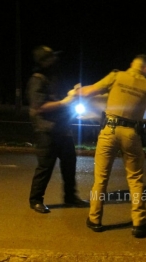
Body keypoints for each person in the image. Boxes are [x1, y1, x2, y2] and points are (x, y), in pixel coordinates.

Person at [74, 54, 146, 237]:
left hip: (108, 131)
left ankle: (95, 220)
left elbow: (89, 92)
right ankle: (139, 224)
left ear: (132, 64)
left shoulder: (116, 76)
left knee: (101, 179)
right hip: (131, 134)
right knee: (135, 180)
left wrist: (77, 91)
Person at [27, 45, 88, 214]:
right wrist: (63, 103)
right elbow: (39, 106)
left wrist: (72, 93)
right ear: (43, 62)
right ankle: (36, 200)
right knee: (45, 167)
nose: (55, 60)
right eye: (51, 58)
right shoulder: (37, 79)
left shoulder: (54, 77)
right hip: (46, 131)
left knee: (70, 164)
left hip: (62, 129)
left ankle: (70, 197)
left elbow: (60, 97)